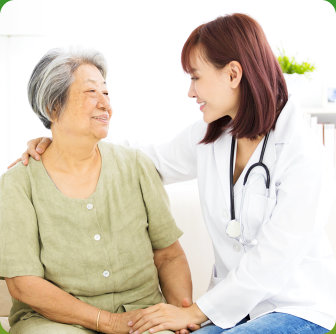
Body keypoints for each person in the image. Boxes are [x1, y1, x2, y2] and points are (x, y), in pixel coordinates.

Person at [13, 13, 336, 334]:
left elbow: (274, 258)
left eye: (195, 77)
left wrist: (194, 311)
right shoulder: (214, 135)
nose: (191, 92)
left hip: (294, 308)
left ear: (233, 74)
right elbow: (143, 160)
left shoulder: (301, 149)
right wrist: (61, 144)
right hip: (234, 310)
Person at [0, 48, 193, 334]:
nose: (106, 105)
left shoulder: (136, 165)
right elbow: (24, 284)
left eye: (107, 93)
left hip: (140, 316)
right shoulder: (18, 184)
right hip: (54, 323)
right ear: (54, 106)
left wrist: (180, 315)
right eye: (92, 92)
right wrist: (107, 321)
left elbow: (169, 255)